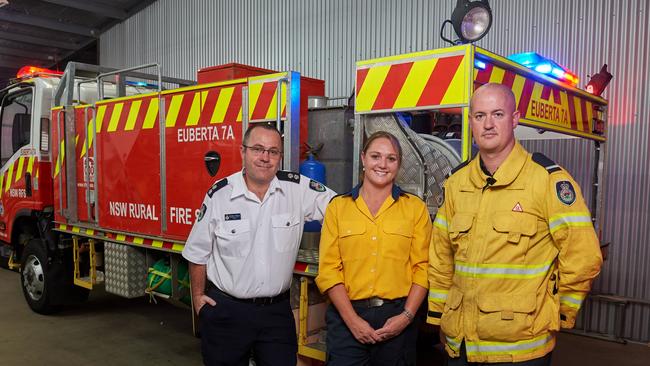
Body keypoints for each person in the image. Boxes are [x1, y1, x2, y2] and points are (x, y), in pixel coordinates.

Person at [427, 83, 603, 365]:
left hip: (523, 349)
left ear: (515, 119)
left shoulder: (547, 181)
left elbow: (582, 254)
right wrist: (438, 314)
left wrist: (559, 312)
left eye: (497, 114)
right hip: (461, 345)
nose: (488, 124)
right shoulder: (457, 183)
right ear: (470, 122)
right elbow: (440, 255)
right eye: (480, 115)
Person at [182, 123, 336, 366]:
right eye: (258, 149)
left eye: (273, 151)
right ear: (243, 152)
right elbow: (197, 252)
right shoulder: (220, 195)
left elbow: (341, 209)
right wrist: (199, 298)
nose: (265, 157)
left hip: (275, 315)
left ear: (280, 157)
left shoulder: (297, 189)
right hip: (227, 312)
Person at [316, 131, 432, 365]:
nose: (382, 164)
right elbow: (329, 271)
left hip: (398, 319)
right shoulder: (338, 208)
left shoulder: (415, 209)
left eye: (391, 158)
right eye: (375, 156)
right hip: (347, 319)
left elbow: (423, 269)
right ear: (363, 159)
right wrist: (353, 321)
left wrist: (406, 317)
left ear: (399, 164)